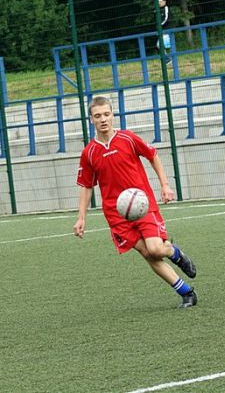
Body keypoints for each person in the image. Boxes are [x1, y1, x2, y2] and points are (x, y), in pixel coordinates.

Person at [72, 96, 198, 309]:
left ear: (113, 115)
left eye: (106, 114)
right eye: (98, 116)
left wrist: (165, 185)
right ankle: (187, 293)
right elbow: (86, 185)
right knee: (148, 254)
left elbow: (153, 155)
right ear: (91, 120)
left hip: (142, 205)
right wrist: (81, 217)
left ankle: (175, 253)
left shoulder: (128, 138)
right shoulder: (89, 153)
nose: (103, 119)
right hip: (116, 215)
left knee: (156, 249)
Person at [157, 0, 172, 64]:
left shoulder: (166, 8)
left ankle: (168, 59)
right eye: (158, 2)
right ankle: (167, 59)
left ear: (164, 1)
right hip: (163, 31)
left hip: (167, 30)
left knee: (160, 44)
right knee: (160, 45)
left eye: (160, 1)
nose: (159, 3)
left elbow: (166, 18)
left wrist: (160, 25)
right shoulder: (159, 10)